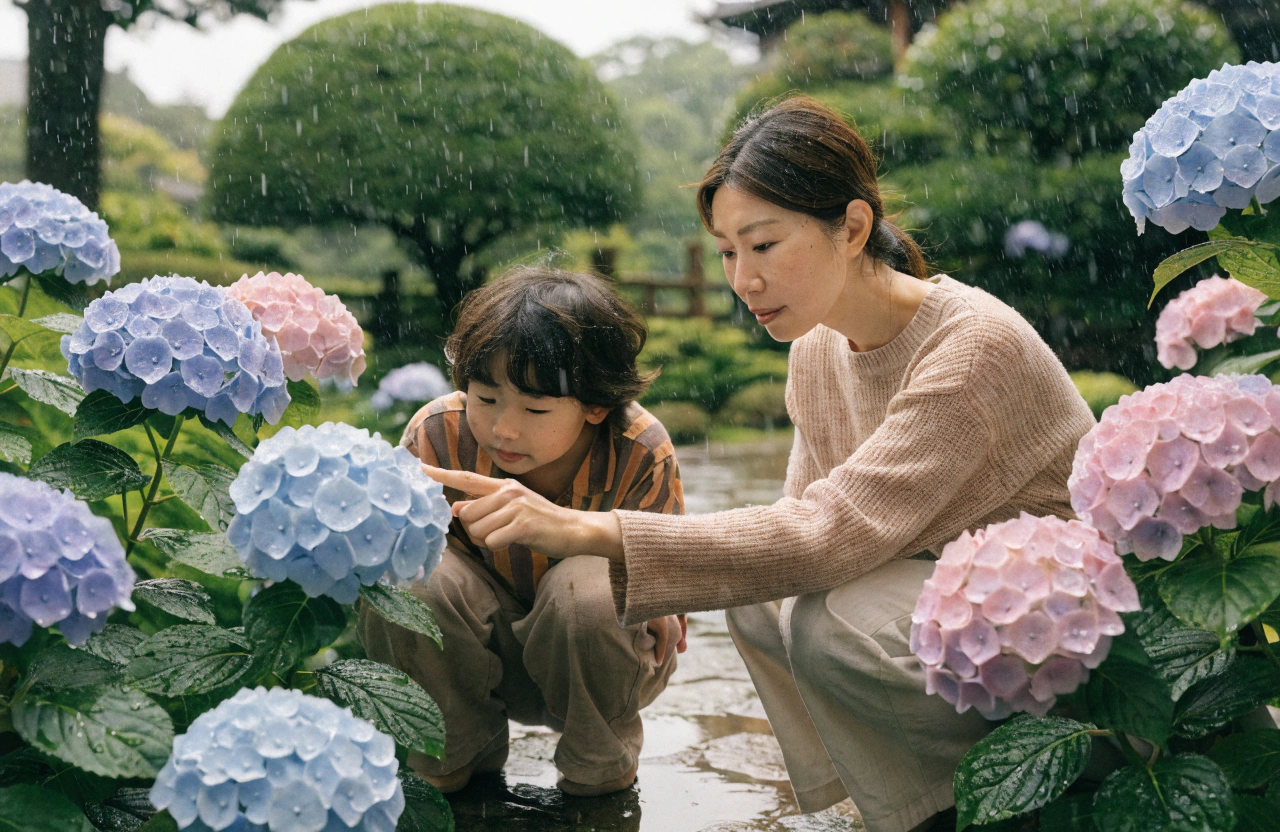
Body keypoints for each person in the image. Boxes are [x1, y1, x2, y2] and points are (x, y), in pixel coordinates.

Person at [422, 96, 1096, 832]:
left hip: (1058, 614)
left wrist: (595, 534)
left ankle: (995, 796)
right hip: (947, 586)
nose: (743, 280)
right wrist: (666, 586)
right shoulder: (817, 346)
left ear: (853, 227)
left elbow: (827, 536)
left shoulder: (970, 349)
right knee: (757, 594)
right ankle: (908, 797)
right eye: (727, 252)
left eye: (764, 245)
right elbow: (792, 525)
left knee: (829, 626)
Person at [359, 267, 687, 798]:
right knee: (406, 576)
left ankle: (599, 766)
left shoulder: (638, 451)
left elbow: (668, 579)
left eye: (535, 408)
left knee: (592, 590)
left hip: (598, 655)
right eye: (485, 399)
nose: (503, 429)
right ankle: (449, 756)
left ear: (595, 405)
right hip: (467, 657)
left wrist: (659, 593)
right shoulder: (437, 434)